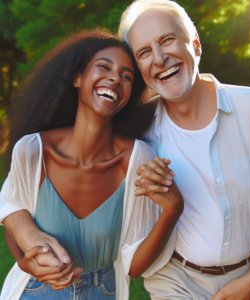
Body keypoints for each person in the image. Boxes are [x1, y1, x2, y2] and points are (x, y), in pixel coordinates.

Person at [116, 0, 250, 299]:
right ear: (138, 70)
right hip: (174, 280)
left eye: (167, 40)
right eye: (144, 52)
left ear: (196, 46)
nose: (160, 58)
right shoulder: (138, 135)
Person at [0, 29, 183, 300]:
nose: (115, 78)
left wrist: (173, 210)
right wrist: (27, 262)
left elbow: (134, 266)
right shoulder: (33, 150)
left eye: (126, 76)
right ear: (77, 77)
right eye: (104, 67)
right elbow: (15, 219)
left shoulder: (138, 159)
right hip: (34, 291)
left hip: (102, 292)